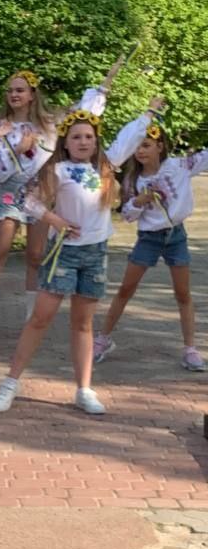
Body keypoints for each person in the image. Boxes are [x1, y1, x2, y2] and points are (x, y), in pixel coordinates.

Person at [0, 97, 164, 418]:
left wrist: (148, 114)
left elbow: (129, 137)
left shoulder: (105, 167)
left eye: (88, 137)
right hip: (64, 254)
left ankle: (84, 389)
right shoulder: (57, 170)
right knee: (40, 318)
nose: (83, 142)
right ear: (66, 143)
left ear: (95, 141)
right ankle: (10, 383)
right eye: (76, 137)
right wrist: (54, 220)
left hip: (95, 254)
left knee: (83, 324)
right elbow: (28, 201)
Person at [0, 61, 124, 333]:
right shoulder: (0, 128)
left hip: (40, 193)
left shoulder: (48, 125)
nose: (14, 95)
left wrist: (105, 85)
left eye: (20, 90)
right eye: (10, 90)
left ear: (32, 94)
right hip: (11, 191)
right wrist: (19, 149)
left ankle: (30, 316)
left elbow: (82, 116)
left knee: (35, 256)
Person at [94, 125, 207, 372]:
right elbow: (127, 216)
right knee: (126, 289)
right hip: (149, 238)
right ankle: (103, 339)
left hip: (176, 236)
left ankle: (190, 349)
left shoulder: (179, 166)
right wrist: (138, 202)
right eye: (137, 147)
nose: (140, 151)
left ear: (160, 146)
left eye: (146, 145)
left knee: (183, 293)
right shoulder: (134, 180)